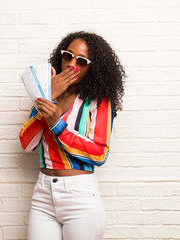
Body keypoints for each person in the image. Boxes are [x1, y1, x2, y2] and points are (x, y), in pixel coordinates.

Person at [19, 31, 126, 240]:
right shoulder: (47, 94)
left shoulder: (98, 101)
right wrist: (46, 96)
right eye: (67, 55)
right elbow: (27, 143)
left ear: (92, 67)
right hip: (43, 195)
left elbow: (99, 153)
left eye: (82, 61)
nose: (71, 64)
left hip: (80, 197)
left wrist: (58, 125)